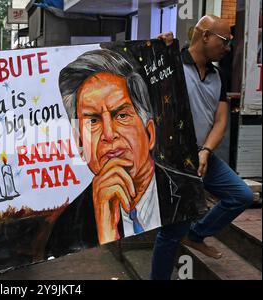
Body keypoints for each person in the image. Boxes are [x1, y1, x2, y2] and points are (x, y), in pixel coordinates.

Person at [45, 48, 202, 256]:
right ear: (81, 144)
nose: (109, 135)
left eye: (122, 116)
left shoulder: (188, 191)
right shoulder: (67, 227)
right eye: (93, 121)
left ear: (149, 133)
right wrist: (106, 234)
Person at [151, 16, 254, 280]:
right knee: (172, 230)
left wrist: (206, 151)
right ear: (205, 35)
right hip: (174, 158)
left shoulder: (218, 75)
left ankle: (196, 235)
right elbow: (142, 78)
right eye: (225, 41)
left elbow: (220, 121)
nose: (229, 48)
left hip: (202, 154)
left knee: (241, 195)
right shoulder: (172, 63)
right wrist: (158, 50)